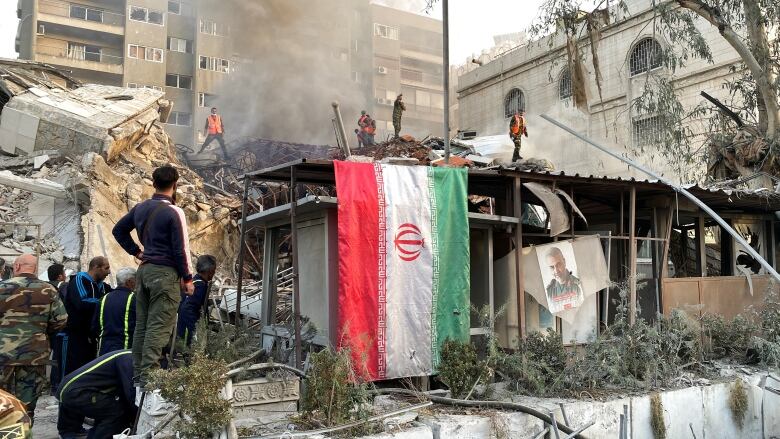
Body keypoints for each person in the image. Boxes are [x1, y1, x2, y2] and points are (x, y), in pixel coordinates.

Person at [112, 165, 195, 388]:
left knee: (143, 325)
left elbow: (118, 230)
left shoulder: (140, 208)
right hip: (164, 274)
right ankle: (150, 379)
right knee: (159, 326)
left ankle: (138, 375)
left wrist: (137, 252)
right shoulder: (174, 212)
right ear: (175, 184)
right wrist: (188, 279)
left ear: (154, 183)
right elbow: (181, 249)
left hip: (144, 271)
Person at [0, 254, 68, 420]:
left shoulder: (2, 287)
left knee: (2, 402)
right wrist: (42, 333)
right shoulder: (49, 290)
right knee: (27, 405)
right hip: (35, 354)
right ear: (36, 269)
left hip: (3, 354)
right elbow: (61, 320)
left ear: (16, 267)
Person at [57, 350, 137, 439]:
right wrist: (137, 415)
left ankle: (69, 432)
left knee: (106, 405)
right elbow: (130, 393)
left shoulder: (122, 354)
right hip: (77, 393)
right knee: (115, 412)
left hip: (67, 387)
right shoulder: (128, 359)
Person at [62, 256, 112, 376]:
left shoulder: (103, 287)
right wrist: (105, 302)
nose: (109, 272)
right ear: (96, 268)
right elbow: (82, 302)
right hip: (76, 335)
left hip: (92, 335)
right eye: (106, 268)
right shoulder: (79, 280)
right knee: (73, 370)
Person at [92, 267, 137, 356]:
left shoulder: (104, 298)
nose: (137, 284)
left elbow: (95, 327)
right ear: (129, 282)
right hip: (124, 350)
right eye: (136, 280)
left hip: (104, 350)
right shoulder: (134, 299)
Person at [176, 255, 216, 348]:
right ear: (209, 271)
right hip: (189, 321)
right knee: (191, 346)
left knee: (185, 344)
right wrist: (197, 326)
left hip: (182, 319)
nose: (214, 272)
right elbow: (190, 306)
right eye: (214, 270)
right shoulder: (200, 286)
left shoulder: (193, 281)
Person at [47, 263, 69, 393]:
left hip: (44, 328)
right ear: (60, 276)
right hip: (58, 328)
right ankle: (56, 385)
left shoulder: (45, 286)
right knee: (59, 357)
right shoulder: (63, 287)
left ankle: (50, 384)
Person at [544, 246, 584, 313]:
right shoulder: (549, 291)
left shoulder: (579, 285)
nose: (556, 271)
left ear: (564, 262)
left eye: (558, 264)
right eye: (551, 267)